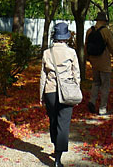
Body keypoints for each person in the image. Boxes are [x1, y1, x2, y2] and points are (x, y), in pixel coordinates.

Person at [40, 21, 81, 167]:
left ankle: (55, 144)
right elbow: (76, 74)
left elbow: (43, 76)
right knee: (63, 124)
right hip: (67, 91)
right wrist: (77, 91)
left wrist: (41, 95)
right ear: (66, 36)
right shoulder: (71, 52)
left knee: (53, 120)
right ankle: (58, 157)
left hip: (50, 91)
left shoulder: (46, 52)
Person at [85, 10, 113, 116]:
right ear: (104, 21)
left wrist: (88, 58)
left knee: (95, 83)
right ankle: (102, 108)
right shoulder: (106, 32)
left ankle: (92, 101)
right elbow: (112, 47)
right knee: (105, 85)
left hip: (94, 62)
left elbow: (86, 46)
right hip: (104, 62)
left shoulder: (89, 31)